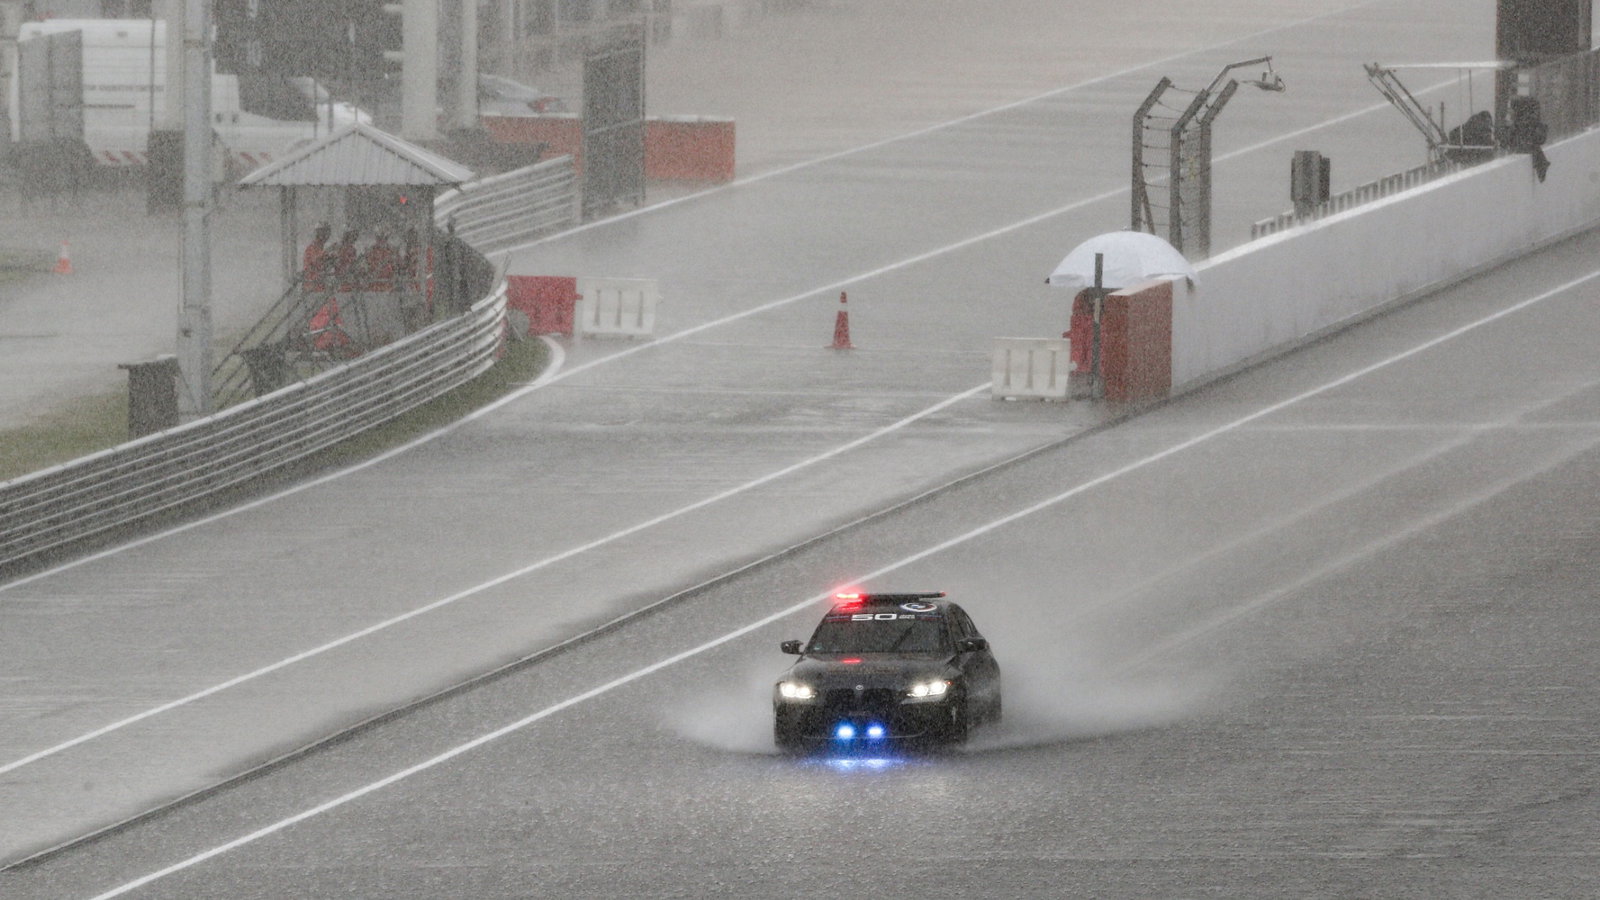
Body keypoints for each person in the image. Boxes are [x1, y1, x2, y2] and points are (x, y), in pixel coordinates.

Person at [302, 223, 332, 294]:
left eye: (327, 234)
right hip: (313, 288)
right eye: (324, 234)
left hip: (321, 286)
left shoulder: (320, 249)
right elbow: (315, 261)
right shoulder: (312, 248)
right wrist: (327, 252)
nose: (326, 237)